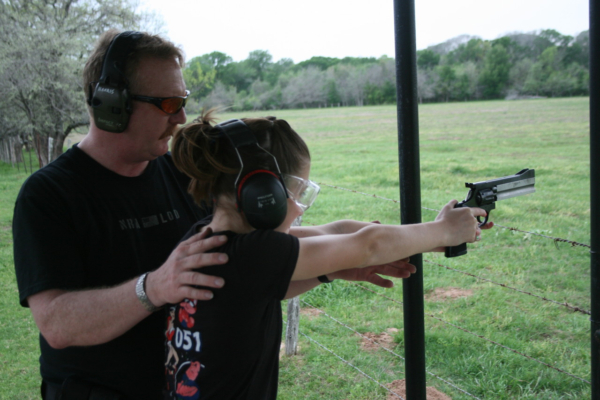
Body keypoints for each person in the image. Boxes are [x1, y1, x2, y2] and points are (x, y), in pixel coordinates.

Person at [12, 29, 416, 400]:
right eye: (167, 104)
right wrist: (152, 287)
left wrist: (327, 268)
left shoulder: (181, 174)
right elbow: (57, 324)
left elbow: (232, 270)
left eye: (182, 103)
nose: (180, 118)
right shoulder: (49, 195)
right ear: (111, 104)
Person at [163, 112, 489, 399]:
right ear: (263, 194)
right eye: (297, 191)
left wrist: (434, 237)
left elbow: (335, 231)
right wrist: (444, 231)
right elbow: (369, 245)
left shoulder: (208, 237)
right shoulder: (255, 253)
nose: (301, 205)